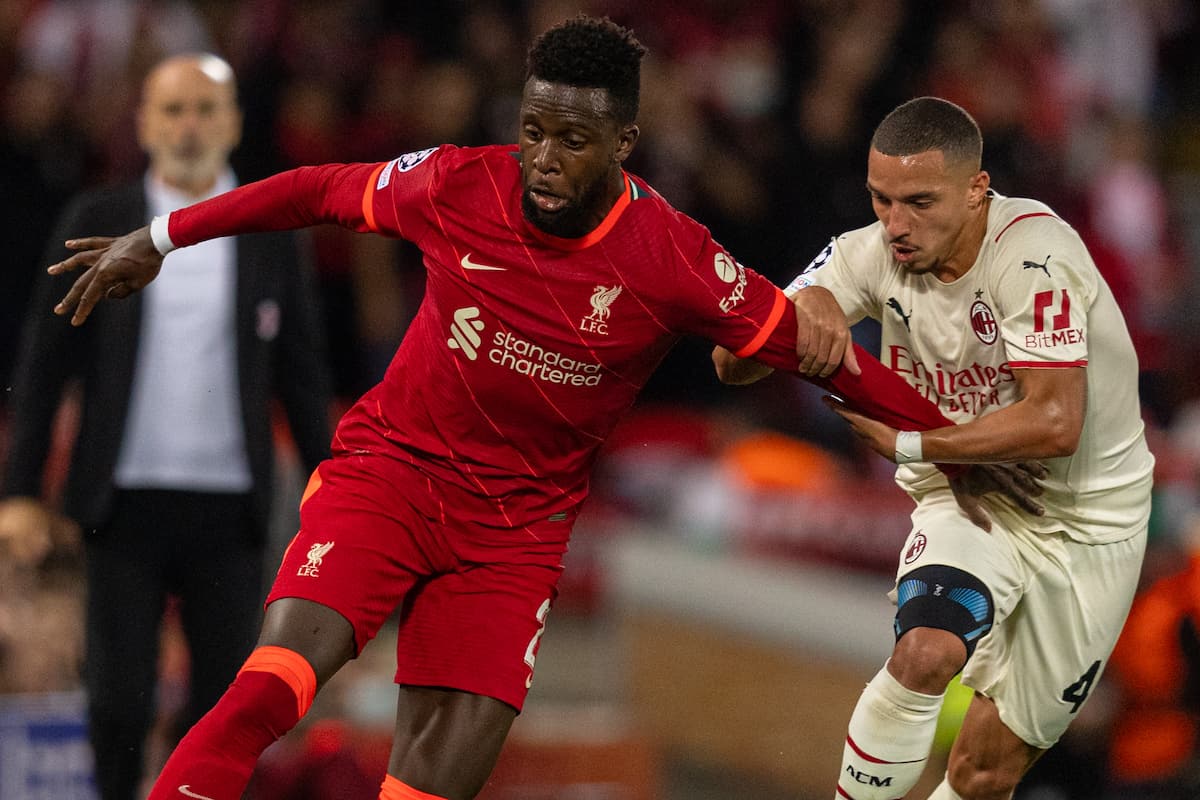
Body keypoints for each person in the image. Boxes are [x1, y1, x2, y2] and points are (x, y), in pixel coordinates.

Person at [47, 21, 1040, 800]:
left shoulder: (675, 260)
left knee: (430, 779)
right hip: (392, 473)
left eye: (573, 138)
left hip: (513, 532)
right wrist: (164, 234)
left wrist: (968, 449)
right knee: (274, 680)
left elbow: (834, 362)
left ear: (625, 140)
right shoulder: (455, 183)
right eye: (533, 129)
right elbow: (315, 190)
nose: (544, 158)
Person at [715, 96, 1154, 800]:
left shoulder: (1036, 255)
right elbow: (729, 363)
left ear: (977, 190)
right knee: (924, 653)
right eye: (881, 200)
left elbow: (1054, 423)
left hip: (1090, 526)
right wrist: (802, 315)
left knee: (984, 773)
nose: (896, 224)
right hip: (971, 496)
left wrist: (913, 442)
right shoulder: (865, 253)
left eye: (919, 202)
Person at [0, 53, 332, 800]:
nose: (189, 126)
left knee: (221, 713)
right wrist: (19, 491)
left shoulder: (271, 228)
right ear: (145, 123)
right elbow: (45, 362)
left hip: (231, 509)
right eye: (173, 110)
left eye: (206, 110)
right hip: (122, 503)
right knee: (117, 702)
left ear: (235, 124)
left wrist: (337, 493)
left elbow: (303, 377)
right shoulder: (99, 220)